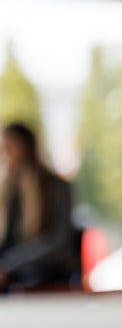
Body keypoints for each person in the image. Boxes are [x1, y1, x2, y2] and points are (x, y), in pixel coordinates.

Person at [0, 122, 80, 292]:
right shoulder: (8, 191)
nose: (4, 155)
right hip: (13, 277)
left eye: (8, 147)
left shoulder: (55, 187)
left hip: (44, 277)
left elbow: (59, 242)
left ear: (25, 148)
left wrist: (10, 264)